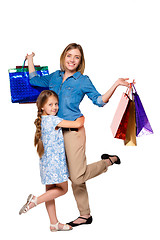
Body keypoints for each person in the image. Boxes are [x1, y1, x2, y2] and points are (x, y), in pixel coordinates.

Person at [26, 43, 130, 227]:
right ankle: (83, 215)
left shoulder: (82, 80)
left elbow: (99, 101)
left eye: (77, 57)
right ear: (63, 57)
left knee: (77, 176)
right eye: (69, 55)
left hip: (73, 130)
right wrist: (31, 59)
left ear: (81, 61)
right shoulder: (54, 77)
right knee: (62, 177)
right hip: (53, 134)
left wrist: (116, 84)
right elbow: (34, 80)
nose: (72, 60)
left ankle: (108, 161)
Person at [19, 90, 85, 232]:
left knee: (50, 191)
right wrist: (81, 118)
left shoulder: (41, 121)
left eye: (56, 104)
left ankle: (54, 223)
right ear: (42, 106)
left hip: (45, 163)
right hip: (56, 164)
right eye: (50, 104)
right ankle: (34, 201)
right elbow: (77, 125)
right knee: (63, 189)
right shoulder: (54, 120)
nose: (55, 107)